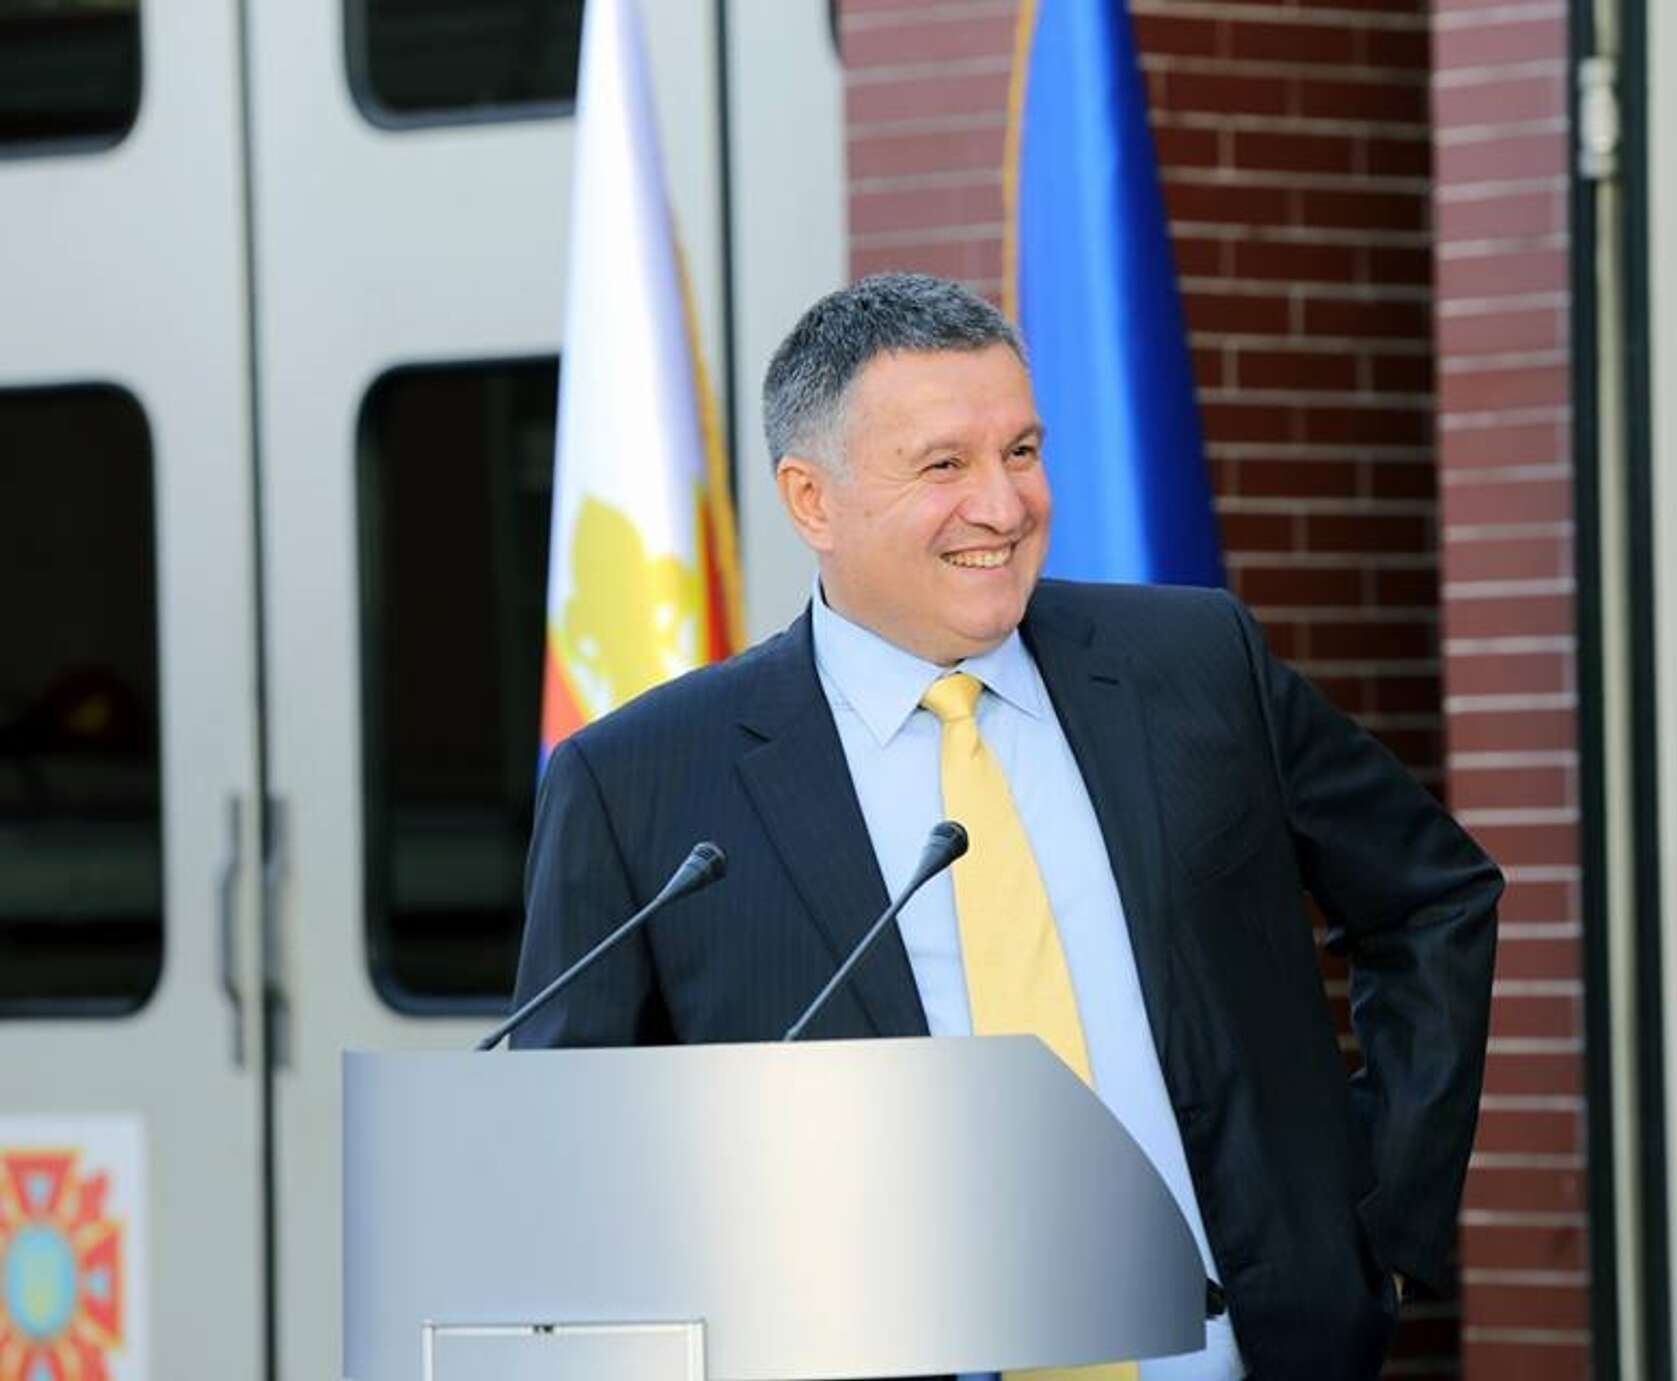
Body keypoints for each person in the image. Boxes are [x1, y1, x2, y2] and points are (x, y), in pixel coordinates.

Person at [512, 273, 1502, 1381]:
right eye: (944, 465)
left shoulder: (1195, 667)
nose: (1003, 504)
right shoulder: (640, 782)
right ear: (811, 501)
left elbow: (1431, 895)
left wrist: (1380, 1220)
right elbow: (576, 1150)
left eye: (1020, 451)